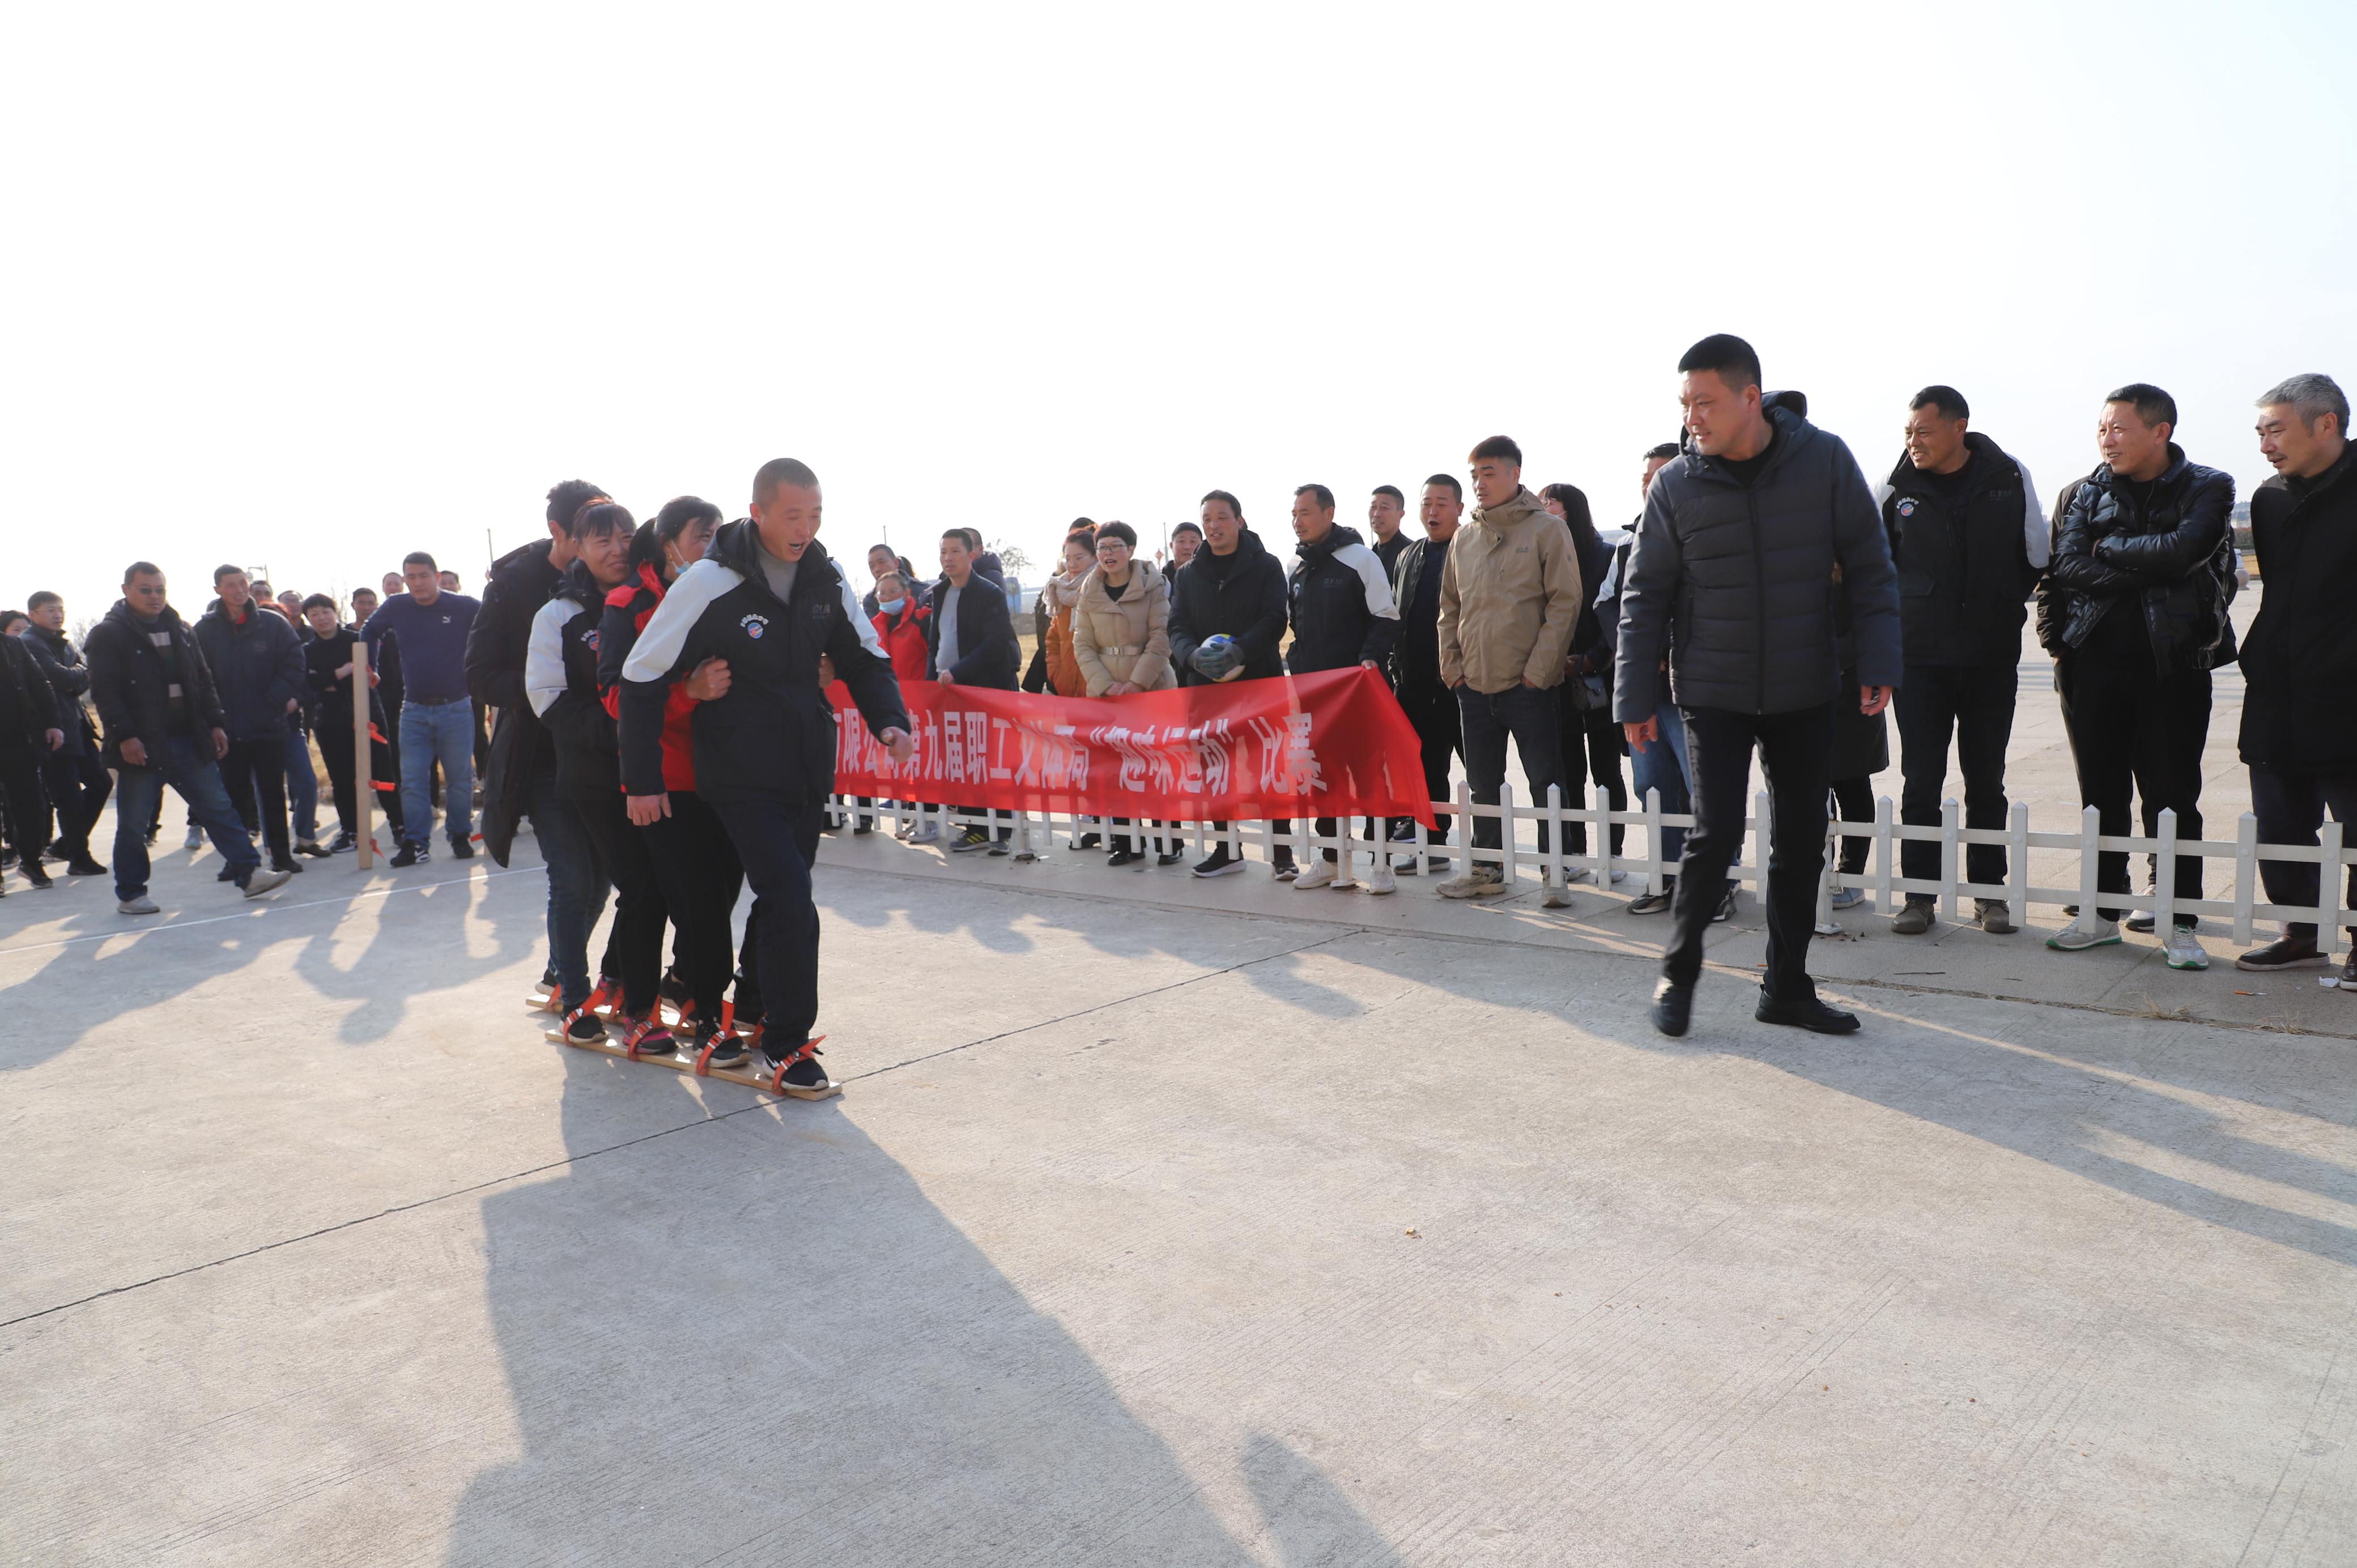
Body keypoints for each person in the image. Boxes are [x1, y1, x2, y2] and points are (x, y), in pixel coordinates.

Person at [1616, 335, 1900, 1038]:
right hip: (1712, 688)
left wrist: (1877, 659)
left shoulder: (1824, 460)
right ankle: (1677, 975)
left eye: (1704, 402)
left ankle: (1786, 987)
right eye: (1684, 404)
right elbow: (1643, 596)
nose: (1691, 418)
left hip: (1805, 686)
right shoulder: (1675, 485)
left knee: (1802, 840)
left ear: (1749, 398)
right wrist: (1631, 697)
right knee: (1712, 835)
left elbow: (1870, 564)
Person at [619, 458, 914, 1093]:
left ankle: (754, 1007)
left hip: (805, 770)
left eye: (815, 515)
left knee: (782, 899)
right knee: (789, 897)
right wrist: (641, 780)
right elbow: (640, 676)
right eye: (792, 516)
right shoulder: (708, 581)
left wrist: (890, 721)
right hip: (738, 771)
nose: (805, 529)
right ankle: (787, 1043)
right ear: (757, 514)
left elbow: (866, 657)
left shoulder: (825, 576)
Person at [2036, 384, 2235, 968]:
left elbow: (2184, 551)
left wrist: (2108, 551)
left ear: (2159, 431)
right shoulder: (2081, 491)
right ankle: (2099, 913)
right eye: (2101, 428)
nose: (2107, 439)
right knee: (2099, 795)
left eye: (2119, 428)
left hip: (2173, 667)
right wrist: (2057, 642)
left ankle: (2178, 920)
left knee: (2172, 797)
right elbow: (2063, 568)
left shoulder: (2208, 485)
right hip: (2091, 665)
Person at [1874, 386, 2047, 935]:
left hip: (1989, 660)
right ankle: (1918, 897)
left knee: (1986, 781)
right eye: (1908, 432)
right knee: (1921, 782)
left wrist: (1997, 603)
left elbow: (2035, 555)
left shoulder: (2008, 476)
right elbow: (1873, 570)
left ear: (1958, 428)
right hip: (1919, 662)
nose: (1913, 441)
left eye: (1923, 431)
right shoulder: (1893, 486)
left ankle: (1989, 895)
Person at [597, 498, 761, 1058]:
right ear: (667, 544)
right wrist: (687, 692)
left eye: (719, 533)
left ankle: (688, 987)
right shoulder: (629, 606)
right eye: (701, 535)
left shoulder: (729, 595)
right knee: (678, 898)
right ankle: (672, 1013)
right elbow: (618, 698)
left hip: (727, 774)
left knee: (723, 892)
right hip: (664, 780)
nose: (714, 545)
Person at [527, 501, 677, 1050]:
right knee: (587, 886)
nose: (617, 550)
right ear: (578, 548)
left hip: (656, 770)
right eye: (601, 541)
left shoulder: (658, 600)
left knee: (652, 886)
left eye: (625, 537)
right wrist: (623, 729)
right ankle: (575, 996)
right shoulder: (559, 615)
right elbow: (547, 698)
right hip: (592, 774)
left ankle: (619, 979)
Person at [470, 480, 616, 1009]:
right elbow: (479, 674)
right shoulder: (512, 587)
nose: (608, 543)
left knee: (601, 881)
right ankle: (574, 994)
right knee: (573, 876)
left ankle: (560, 970)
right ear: (559, 530)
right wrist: (547, 689)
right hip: (542, 755)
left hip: (600, 751)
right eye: (592, 531)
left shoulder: (615, 580)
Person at [2231, 374, 2356, 979]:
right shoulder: (2269, 499)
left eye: (2275, 430)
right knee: (2278, 822)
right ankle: (2300, 931)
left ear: (2326, 423)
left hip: (2347, 692)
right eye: (2260, 433)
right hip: (2277, 687)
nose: (2265, 445)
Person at [86, 562, 292, 913]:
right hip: (143, 745)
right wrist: (125, 736)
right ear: (126, 590)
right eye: (145, 590)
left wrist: (215, 724)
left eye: (160, 590)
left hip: (189, 741)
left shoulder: (180, 628)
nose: (154, 597)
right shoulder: (109, 634)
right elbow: (105, 692)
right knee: (134, 824)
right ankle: (131, 894)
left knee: (220, 810)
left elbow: (202, 680)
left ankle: (250, 874)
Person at [1434, 438, 1581, 905]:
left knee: (1545, 781)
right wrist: (1453, 669)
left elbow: (1565, 603)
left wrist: (1539, 672)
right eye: (1475, 475)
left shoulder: (1547, 530)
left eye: (1489, 473)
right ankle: (1487, 870)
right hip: (1473, 685)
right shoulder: (1464, 537)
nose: (1480, 483)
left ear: (1515, 474)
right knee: (1483, 784)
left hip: (1529, 685)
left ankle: (1554, 872)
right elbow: (1449, 609)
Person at [1282, 483, 1399, 890]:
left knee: (1369, 777)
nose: (1298, 521)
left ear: (1329, 513)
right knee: (1324, 777)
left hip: (1357, 693)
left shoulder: (1360, 559)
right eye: (1294, 514)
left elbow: (1386, 617)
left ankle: (1381, 864)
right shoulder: (1298, 568)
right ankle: (1332, 861)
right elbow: (1296, 627)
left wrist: (1369, 658)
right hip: (1315, 696)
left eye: (1305, 513)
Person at [1168, 489, 1288, 879]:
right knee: (1215, 771)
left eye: (1222, 517)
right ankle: (1227, 850)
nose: (1214, 525)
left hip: (1258, 682)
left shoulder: (1266, 565)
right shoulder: (1188, 574)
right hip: (1205, 688)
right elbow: (1177, 626)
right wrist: (1191, 656)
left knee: (1267, 768)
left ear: (1239, 520)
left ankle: (1282, 853)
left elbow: (1275, 618)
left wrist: (1241, 651)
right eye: (1207, 519)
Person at [1070, 521, 1182, 867]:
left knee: (1157, 767)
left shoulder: (1153, 585)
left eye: (1115, 546)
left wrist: (1137, 683)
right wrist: (1106, 685)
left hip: (1152, 689)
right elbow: (1082, 644)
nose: (1108, 554)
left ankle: (1170, 842)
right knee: (1116, 770)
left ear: (1131, 550)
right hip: (1107, 694)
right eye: (1102, 548)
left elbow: (1162, 637)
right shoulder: (1089, 590)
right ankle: (1127, 842)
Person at [363, 551, 481, 866]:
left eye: (423, 576)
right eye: (411, 577)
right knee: (413, 781)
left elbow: (496, 625)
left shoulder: (464, 607)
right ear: (405, 580)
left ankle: (460, 835)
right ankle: (416, 843)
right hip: (414, 710)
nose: (417, 583)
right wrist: (370, 666)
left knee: (459, 779)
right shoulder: (397, 606)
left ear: (436, 576)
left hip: (456, 708)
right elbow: (370, 631)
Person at [193, 565, 310, 876]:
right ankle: (238, 861)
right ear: (218, 590)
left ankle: (282, 857)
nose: (239, 590)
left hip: (268, 725)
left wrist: (274, 700)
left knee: (272, 794)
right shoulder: (204, 630)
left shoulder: (272, 623)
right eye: (231, 585)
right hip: (226, 729)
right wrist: (212, 717)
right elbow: (195, 676)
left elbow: (294, 663)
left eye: (242, 583)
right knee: (232, 799)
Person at [1540, 479, 1628, 883]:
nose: (1543, 509)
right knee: (1568, 774)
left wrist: (1592, 658)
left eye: (1550, 503)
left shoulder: (1607, 555)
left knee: (1607, 773)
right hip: (1558, 681)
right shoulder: (1544, 556)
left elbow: (1616, 615)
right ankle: (1574, 851)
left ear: (1570, 510)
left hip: (1602, 681)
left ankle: (1614, 854)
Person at [1385, 476, 1465, 876]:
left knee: (1483, 773)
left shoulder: (1471, 548)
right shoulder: (1409, 555)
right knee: (1426, 769)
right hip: (1415, 684)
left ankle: (1492, 855)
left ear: (1460, 509)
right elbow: (1397, 615)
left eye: (1442, 504)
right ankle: (1432, 846)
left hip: (1462, 683)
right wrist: (1397, 671)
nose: (1432, 511)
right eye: (1426, 503)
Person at [928, 526, 1022, 854]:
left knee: (991, 761)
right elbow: (935, 644)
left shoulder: (988, 592)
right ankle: (975, 827)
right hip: (949, 692)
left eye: (955, 551)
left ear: (971, 555)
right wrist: (930, 683)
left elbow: (995, 644)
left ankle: (1000, 831)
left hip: (984, 690)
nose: (948, 558)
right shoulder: (940, 593)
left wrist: (957, 672)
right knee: (963, 762)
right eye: (943, 552)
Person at [300, 593, 404, 852]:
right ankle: (350, 831)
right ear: (309, 619)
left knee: (384, 772)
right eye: (314, 614)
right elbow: (311, 683)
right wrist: (344, 671)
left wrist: (330, 679)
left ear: (335, 613)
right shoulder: (307, 650)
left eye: (326, 612)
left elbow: (371, 676)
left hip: (369, 713)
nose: (322, 618)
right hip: (329, 719)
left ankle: (400, 826)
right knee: (342, 778)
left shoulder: (357, 640)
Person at [21, 593, 110, 876]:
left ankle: (65, 846)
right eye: (50, 610)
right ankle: (79, 858)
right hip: (54, 730)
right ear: (33, 614)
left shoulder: (65, 641)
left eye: (61, 609)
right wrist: (77, 674)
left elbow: (81, 679)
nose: (58, 615)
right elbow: (59, 678)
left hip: (78, 727)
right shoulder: (30, 643)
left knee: (101, 783)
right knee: (68, 798)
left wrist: (76, 675)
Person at [0, 623, 62, 889]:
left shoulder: (12, 645)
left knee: (31, 806)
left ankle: (31, 861)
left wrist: (53, 723)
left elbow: (40, 685)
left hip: (17, 741)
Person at [1041, 528, 1097, 700]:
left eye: (1079, 558)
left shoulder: (1103, 590)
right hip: (1067, 687)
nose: (1072, 564)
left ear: (1096, 557)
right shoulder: (1061, 591)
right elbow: (1053, 641)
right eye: (1068, 559)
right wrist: (1057, 675)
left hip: (1100, 688)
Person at [1367, 485, 1411, 576]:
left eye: (1384, 508)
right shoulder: (1369, 555)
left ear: (1401, 514)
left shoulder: (1410, 553)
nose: (1376, 514)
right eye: (1373, 507)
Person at [1161, 520, 1202, 586]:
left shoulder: (1210, 578)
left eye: (1193, 541)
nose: (1187, 547)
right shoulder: (1160, 581)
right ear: (1172, 546)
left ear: (1201, 545)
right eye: (1181, 541)